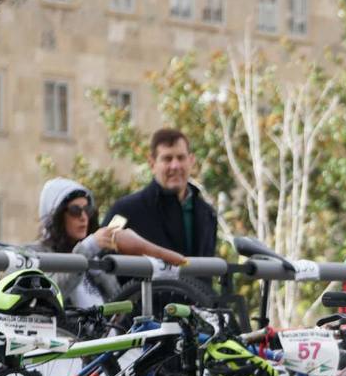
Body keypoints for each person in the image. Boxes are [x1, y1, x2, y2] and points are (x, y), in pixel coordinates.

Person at [32, 177, 186, 308]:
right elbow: (50, 295)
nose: (83, 217)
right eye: (75, 210)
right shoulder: (37, 253)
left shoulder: (93, 256)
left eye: (88, 209)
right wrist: (87, 248)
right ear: (56, 216)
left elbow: (117, 300)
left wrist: (97, 267)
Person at [104, 128, 218, 259]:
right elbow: (102, 259)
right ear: (152, 164)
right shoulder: (125, 210)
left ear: (191, 161)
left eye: (181, 158)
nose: (175, 166)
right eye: (167, 159)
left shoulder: (207, 214)